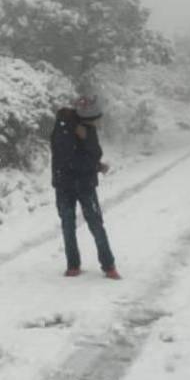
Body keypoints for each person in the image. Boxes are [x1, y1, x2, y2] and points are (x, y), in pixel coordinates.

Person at [50, 96, 120, 279]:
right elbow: (67, 160)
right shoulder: (64, 129)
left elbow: (95, 153)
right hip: (67, 184)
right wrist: (94, 164)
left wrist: (95, 162)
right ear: (86, 117)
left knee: (95, 224)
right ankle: (76, 265)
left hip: (83, 182)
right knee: (71, 225)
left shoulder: (87, 128)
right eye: (96, 118)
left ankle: (108, 264)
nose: (98, 122)